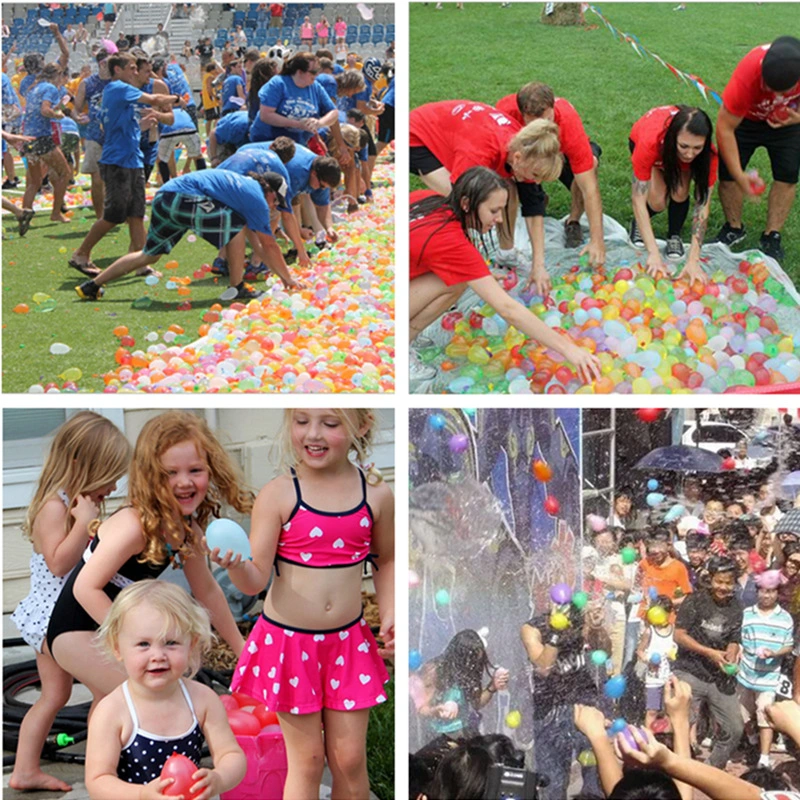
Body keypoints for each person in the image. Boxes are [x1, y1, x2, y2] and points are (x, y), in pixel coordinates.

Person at [210, 408, 394, 800]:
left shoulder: (375, 494)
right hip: (291, 646)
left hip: (348, 643)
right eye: (301, 421)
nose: (313, 434)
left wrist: (391, 611)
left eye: (330, 423)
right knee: (307, 761)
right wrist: (236, 565)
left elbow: (387, 558)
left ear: (361, 425)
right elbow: (256, 577)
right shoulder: (279, 494)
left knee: (349, 759)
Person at [44, 412, 252, 709]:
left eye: (195, 470)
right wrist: (131, 640)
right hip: (75, 632)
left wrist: (243, 652)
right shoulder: (135, 526)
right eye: (170, 473)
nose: (184, 482)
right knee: (149, 700)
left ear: (211, 470)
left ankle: (105, 757)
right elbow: (84, 588)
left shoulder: (185, 531)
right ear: (150, 477)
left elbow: (208, 592)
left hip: (102, 629)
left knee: (109, 705)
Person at [8, 413, 130, 794]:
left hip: (69, 615)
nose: (113, 486)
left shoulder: (76, 503)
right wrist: (84, 523)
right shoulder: (54, 506)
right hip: (52, 617)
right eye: (109, 475)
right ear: (82, 464)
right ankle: (103, 768)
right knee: (104, 692)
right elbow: (59, 562)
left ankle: (27, 771)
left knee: (56, 696)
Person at [409, 166, 602, 385]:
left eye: (502, 210)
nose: (500, 219)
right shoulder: (452, 242)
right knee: (457, 281)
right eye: (493, 211)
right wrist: (569, 349)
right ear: (466, 204)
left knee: (459, 277)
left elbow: (424, 250)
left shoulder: (429, 199)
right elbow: (508, 310)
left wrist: (481, 273)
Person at [85, 581, 246, 798]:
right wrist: (142, 795)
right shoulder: (112, 711)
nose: (158, 655)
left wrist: (220, 778)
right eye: (143, 644)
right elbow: (98, 780)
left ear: (191, 645)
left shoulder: (203, 699)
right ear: (117, 648)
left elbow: (231, 754)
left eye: (171, 642)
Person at [75, 170, 298, 302]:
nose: (274, 206)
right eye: (275, 200)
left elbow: (259, 246)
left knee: (148, 256)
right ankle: (237, 286)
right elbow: (268, 245)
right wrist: (288, 280)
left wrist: (282, 276)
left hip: (165, 198)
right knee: (235, 226)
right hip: (182, 197)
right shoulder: (256, 198)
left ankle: (91, 286)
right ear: (268, 190)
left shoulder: (243, 189)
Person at [68, 53, 177, 276]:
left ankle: (141, 264)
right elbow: (155, 100)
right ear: (118, 70)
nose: (135, 72)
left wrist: (140, 125)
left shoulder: (118, 93)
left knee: (136, 215)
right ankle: (81, 254)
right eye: (132, 68)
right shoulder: (119, 88)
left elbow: (117, 127)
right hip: (118, 162)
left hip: (132, 159)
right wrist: (176, 99)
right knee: (113, 216)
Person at [496, 82, 605, 285]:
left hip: (560, 153)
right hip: (528, 157)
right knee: (505, 186)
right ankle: (506, 250)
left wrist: (597, 240)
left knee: (591, 164)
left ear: (553, 108)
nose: (543, 129)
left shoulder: (568, 123)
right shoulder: (505, 112)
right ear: (522, 115)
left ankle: (573, 221)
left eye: (547, 121)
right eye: (533, 126)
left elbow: (589, 188)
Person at [714, 36, 800, 262]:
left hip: (789, 125)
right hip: (746, 122)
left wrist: (796, 118)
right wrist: (739, 175)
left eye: (783, 91)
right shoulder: (748, 72)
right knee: (727, 175)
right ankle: (734, 228)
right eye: (769, 88)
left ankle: (772, 235)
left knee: (787, 175)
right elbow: (724, 128)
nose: (776, 96)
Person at [521, 595, 611, 800]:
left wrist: (596, 628)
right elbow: (543, 667)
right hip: (550, 708)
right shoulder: (532, 629)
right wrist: (556, 634)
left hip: (583, 701)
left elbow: (603, 652)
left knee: (594, 775)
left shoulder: (580, 622)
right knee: (553, 781)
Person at [629, 105, 718, 283]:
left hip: (670, 152)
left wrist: (693, 260)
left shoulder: (709, 155)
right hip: (650, 147)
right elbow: (638, 198)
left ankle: (674, 235)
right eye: (684, 146)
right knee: (657, 200)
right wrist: (653, 253)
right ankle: (637, 224)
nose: (690, 154)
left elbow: (702, 205)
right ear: (673, 137)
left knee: (680, 192)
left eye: (697, 147)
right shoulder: (650, 143)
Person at [672, 555, 744, 768]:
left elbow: (734, 638)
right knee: (681, 723)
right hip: (689, 670)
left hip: (719, 675)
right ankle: (681, 769)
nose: (723, 587)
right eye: (719, 581)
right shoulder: (694, 601)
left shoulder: (736, 607)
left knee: (735, 728)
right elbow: (679, 635)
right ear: (710, 579)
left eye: (728, 583)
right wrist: (709, 652)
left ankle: (711, 769)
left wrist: (730, 655)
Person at [737, 571, 794, 769]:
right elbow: (739, 641)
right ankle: (752, 741)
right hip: (745, 674)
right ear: (757, 592)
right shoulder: (747, 614)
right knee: (741, 713)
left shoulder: (785, 618)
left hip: (769, 678)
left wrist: (775, 653)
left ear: (777, 593)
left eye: (771, 592)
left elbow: (789, 646)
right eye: (763, 591)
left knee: (765, 716)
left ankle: (764, 757)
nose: (766, 595)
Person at [250, 52, 350, 165]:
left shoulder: (315, 87)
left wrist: (319, 123)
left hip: (295, 145)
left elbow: (333, 113)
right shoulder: (278, 84)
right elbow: (266, 115)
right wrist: (297, 124)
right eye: (313, 72)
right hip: (268, 142)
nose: (316, 75)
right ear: (300, 72)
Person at [410, 630, 509, 740]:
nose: (475, 664)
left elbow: (477, 703)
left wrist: (492, 687)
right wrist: (436, 710)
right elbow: (420, 708)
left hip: (462, 732)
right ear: (461, 656)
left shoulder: (469, 672)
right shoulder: (434, 671)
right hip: (436, 735)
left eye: (478, 659)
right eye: (473, 659)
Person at [19, 64, 72, 224]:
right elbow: (44, 110)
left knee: (34, 182)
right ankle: (56, 212)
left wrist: (58, 108)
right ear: (57, 75)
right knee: (64, 173)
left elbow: (39, 110)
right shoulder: (50, 88)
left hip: (27, 138)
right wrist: (59, 114)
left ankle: (24, 215)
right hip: (42, 137)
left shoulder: (34, 88)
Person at [71, 49, 112, 223]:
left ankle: (117, 213)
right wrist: (76, 117)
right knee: (97, 178)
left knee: (117, 177)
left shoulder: (119, 81)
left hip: (117, 135)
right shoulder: (88, 83)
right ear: (102, 64)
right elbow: (76, 108)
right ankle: (100, 217)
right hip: (95, 134)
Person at [637, 595, 676, 730]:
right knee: (652, 711)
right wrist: (648, 659)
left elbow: (676, 650)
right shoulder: (650, 631)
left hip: (669, 679)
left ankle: (667, 739)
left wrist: (674, 654)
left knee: (669, 711)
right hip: (653, 679)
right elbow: (640, 651)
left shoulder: (674, 631)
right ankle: (649, 737)